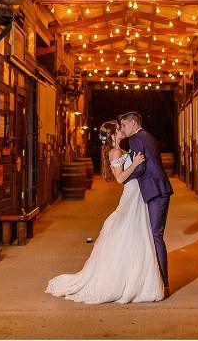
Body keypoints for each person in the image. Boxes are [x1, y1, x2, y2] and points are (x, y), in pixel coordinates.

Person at [45, 120, 165, 304]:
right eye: (118, 128)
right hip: (131, 193)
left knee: (136, 234)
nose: (121, 129)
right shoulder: (115, 152)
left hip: (136, 193)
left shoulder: (119, 150)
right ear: (112, 134)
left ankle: (134, 275)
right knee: (128, 231)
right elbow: (119, 178)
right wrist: (134, 164)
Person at [118, 111, 173, 293]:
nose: (122, 128)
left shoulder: (135, 139)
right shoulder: (149, 137)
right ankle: (154, 278)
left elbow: (140, 167)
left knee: (156, 236)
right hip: (158, 188)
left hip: (156, 191)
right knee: (153, 234)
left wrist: (125, 177)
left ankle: (163, 283)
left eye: (124, 125)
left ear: (133, 123)